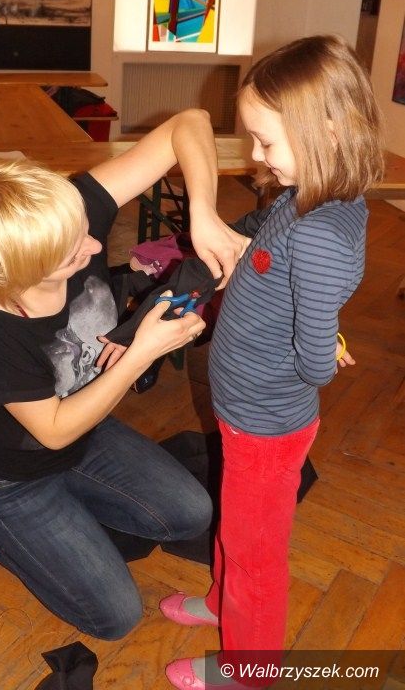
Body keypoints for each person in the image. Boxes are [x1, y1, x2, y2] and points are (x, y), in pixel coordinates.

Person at [0, 109, 247, 641]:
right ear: (23, 273)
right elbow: (54, 430)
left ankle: (62, 519)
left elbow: (189, 124)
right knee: (114, 618)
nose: (96, 248)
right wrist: (141, 353)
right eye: (73, 254)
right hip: (10, 476)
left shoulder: (58, 221)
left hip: (88, 434)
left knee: (191, 515)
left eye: (83, 230)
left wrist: (203, 214)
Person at [159, 35, 385, 689]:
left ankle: (248, 669)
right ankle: (221, 603)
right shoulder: (307, 196)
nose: (256, 156)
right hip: (245, 411)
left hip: (267, 423)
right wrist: (245, 257)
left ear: (328, 130)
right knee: (235, 525)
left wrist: (320, 342)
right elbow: (278, 256)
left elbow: (315, 365)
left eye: (265, 141)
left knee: (256, 558)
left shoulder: (319, 233)